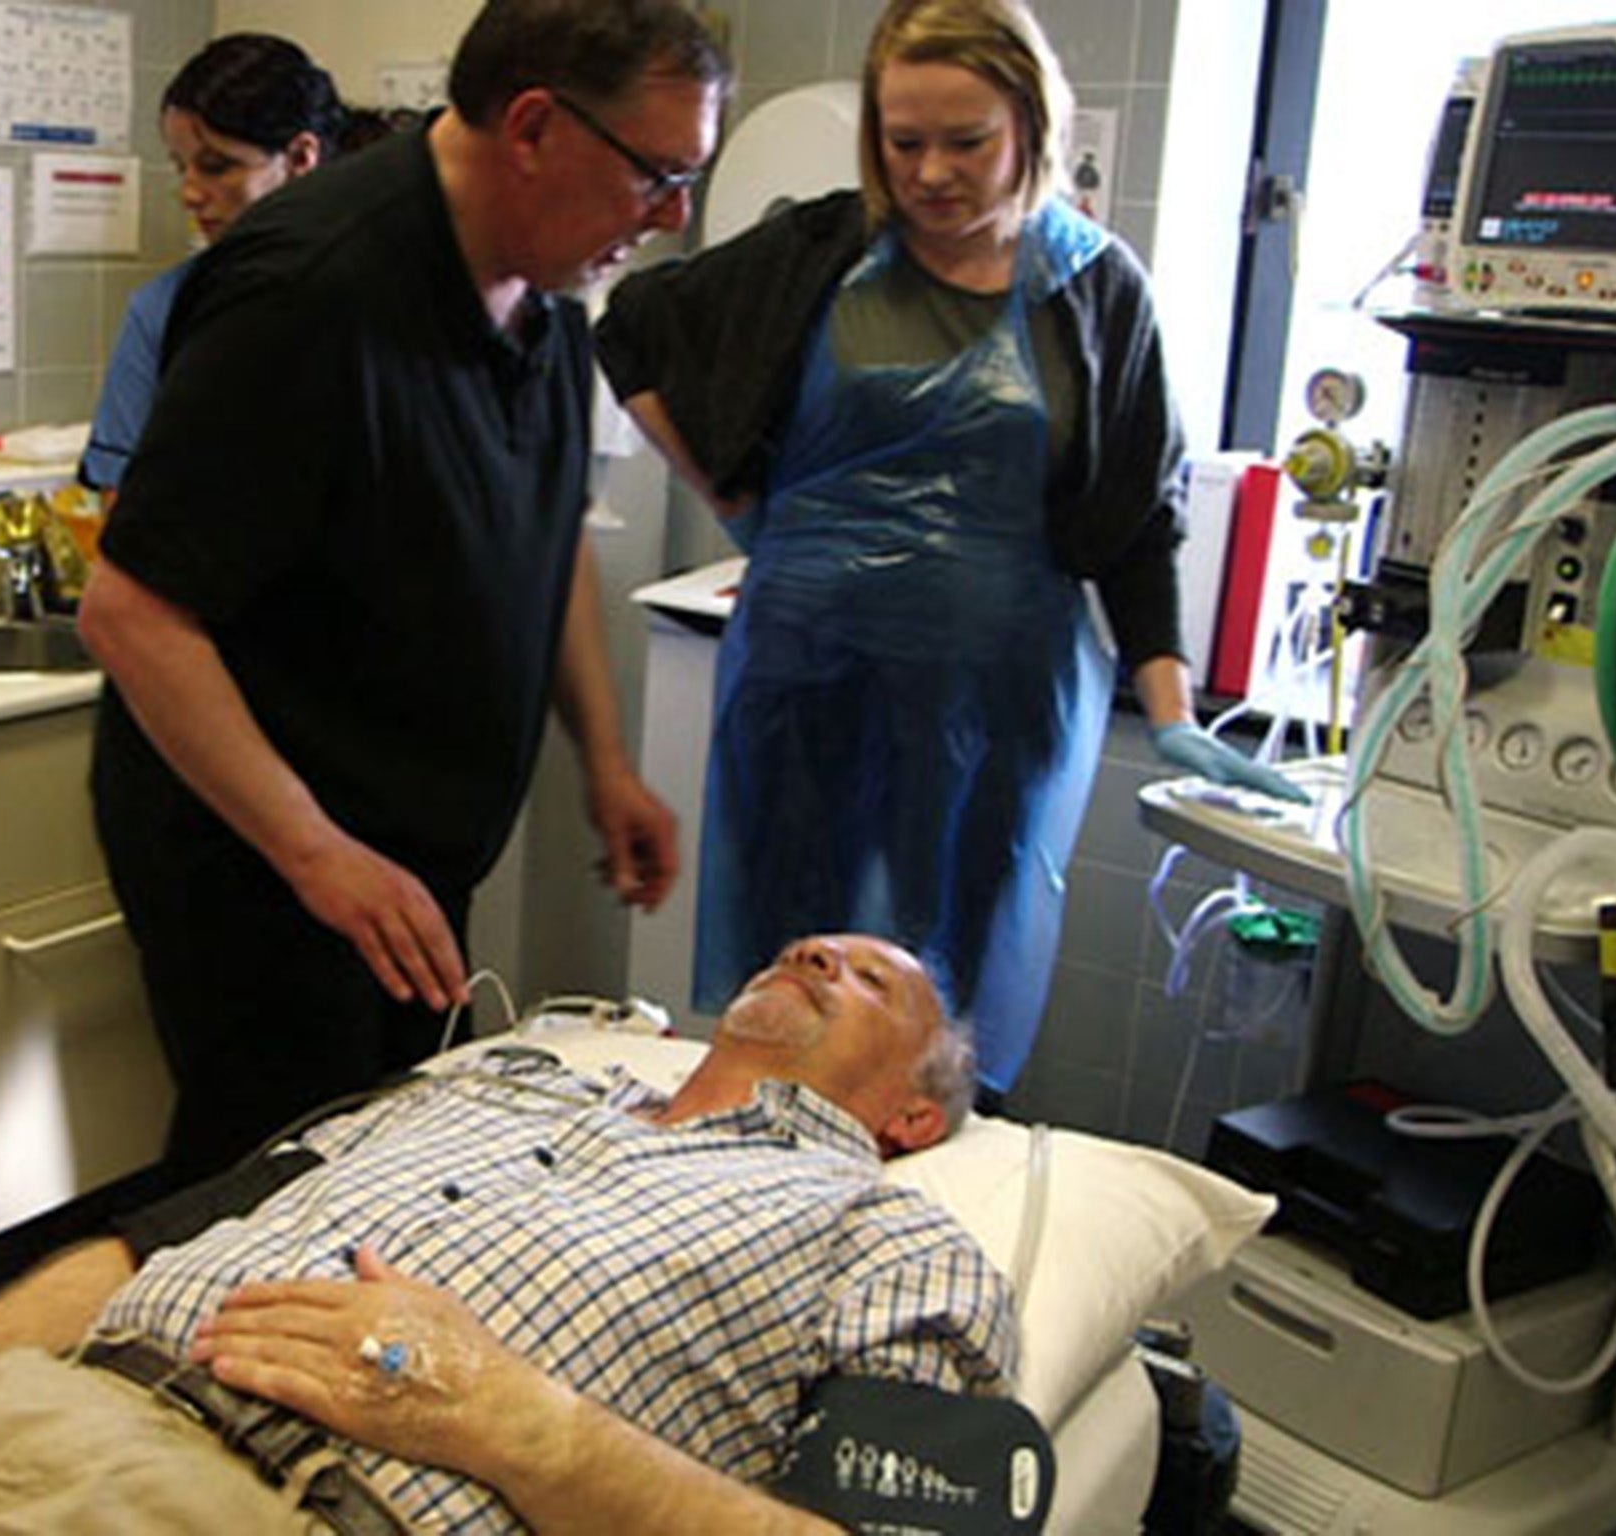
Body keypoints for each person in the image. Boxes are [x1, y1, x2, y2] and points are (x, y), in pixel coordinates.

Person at [0, 936, 1013, 1536]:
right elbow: (135, 1250)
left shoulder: (887, 1242)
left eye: (870, 971)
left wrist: (523, 1424)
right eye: (801, 948)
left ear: (912, 1110)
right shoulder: (498, 1073)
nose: (812, 958)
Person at [595, 0, 1307, 1095]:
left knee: (947, 1009)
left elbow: (1135, 513)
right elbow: (631, 324)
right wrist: (732, 494)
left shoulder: (1094, 288)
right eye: (902, 140)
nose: (930, 173)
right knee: (797, 987)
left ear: (1030, 127)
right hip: (805, 681)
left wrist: (1170, 713)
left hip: (995, 704)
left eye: (965, 142)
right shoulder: (820, 251)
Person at [79, 0, 719, 1183]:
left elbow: (544, 541)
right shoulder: (310, 293)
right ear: (533, 127)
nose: (674, 215)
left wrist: (607, 762)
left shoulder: (540, 298)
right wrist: (318, 853)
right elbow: (130, 612)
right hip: (266, 864)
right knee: (274, 1186)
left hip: (402, 857)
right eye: (657, 175)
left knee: (398, 1157)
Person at [80, 34, 388, 505]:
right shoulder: (163, 312)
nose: (190, 193)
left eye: (217, 167)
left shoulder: (390, 296)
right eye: (181, 167)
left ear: (301, 157)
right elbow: (125, 516)